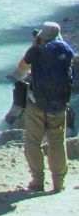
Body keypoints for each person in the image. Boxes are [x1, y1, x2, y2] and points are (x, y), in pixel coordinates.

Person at [16, 20, 75, 192]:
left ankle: (38, 181)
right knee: (57, 141)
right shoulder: (66, 50)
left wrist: (34, 47)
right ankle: (58, 183)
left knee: (33, 141)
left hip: (37, 104)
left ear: (43, 36)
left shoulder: (36, 51)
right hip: (59, 104)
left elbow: (21, 69)